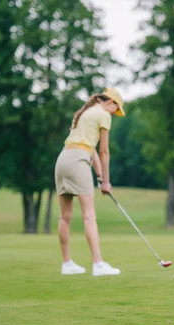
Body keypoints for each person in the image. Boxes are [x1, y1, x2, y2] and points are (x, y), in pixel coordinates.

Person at [54, 88, 125, 276]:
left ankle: (66, 264)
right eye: (115, 110)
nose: (114, 114)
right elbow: (103, 152)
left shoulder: (84, 113)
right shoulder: (103, 115)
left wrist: (101, 177)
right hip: (78, 161)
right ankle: (98, 264)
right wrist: (107, 182)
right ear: (110, 102)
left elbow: (90, 148)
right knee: (89, 215)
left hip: (63, 160)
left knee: (65, 216)